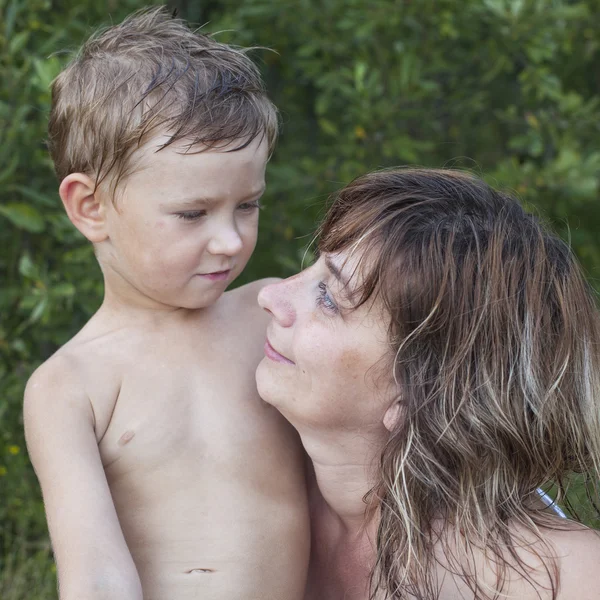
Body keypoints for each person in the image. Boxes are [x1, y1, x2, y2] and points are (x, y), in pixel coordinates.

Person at [23, 8, 308, 600]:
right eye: (192, 214)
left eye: (247, 205)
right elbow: (97, 578)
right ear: (91, 207)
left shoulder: (273, 314)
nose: (230, 240)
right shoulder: (70, 386)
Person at [256, 168, 600, 600]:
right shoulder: (241, 467)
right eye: (313, 269)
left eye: (329, 298)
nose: (270, 296)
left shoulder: (558, 579)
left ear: (424, 393)